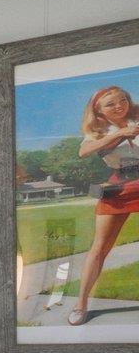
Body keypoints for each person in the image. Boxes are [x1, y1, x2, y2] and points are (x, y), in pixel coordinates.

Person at [68, 84, 139, 325]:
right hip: (121, 183)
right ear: (98, 112)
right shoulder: (98, 131)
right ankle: (80, 305)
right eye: (111, 104)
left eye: (123, 100)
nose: (120, 106)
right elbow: (84, 152)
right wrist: (119, 134)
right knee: (99, 248)